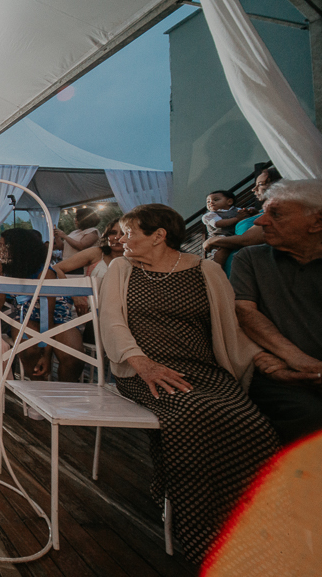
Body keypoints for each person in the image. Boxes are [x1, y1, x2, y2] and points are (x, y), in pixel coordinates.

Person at [98, 203, 279, 563]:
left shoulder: (207, 270)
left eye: (129, 233)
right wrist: (142, 363)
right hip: (141, 370)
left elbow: (230, 326)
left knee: (255, 426)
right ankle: (199, 530)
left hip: (205, 371)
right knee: (191, 413)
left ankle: (257, 524)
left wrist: (267, 360)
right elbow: (112, 323)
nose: (120, 240)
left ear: (158, 236)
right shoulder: (121, 269)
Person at [230, 180, 322, 445]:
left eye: (276, 214)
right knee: (311, 416)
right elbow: (244, 312)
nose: (260, 222)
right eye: (264, 212)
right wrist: (297, 361)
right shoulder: (252, 259)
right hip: (276, 375)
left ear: (317, 223)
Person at [0, 227, 84, 382]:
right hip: (24, 314)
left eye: (4, 246)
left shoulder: (44, 272)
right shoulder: (4, 269)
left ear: (19, 248)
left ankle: (64, 398)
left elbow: (48, 315)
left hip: (57, 315)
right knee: (29, 352)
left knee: (73, 359)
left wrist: (47, 355)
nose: (0, 250)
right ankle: (39, 391)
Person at [205, 167, 282, 276]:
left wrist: (211, 241)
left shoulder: (279, 212)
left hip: (256, 273)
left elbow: (246, 240)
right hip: (239, 274)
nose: (253, 189)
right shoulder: (260, 212)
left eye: (260, 184)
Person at [202, 189, 252, 266]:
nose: (211, 202)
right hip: (219, 238)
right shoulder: (209, 215)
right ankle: (218, 269)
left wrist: (250, 211)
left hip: (235, 235)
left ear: (229, 202)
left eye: (216, 199)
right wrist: (237, 219)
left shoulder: (237, 210)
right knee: (222, 252)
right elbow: (218, 223)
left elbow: (246, 214)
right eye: (208, 201)